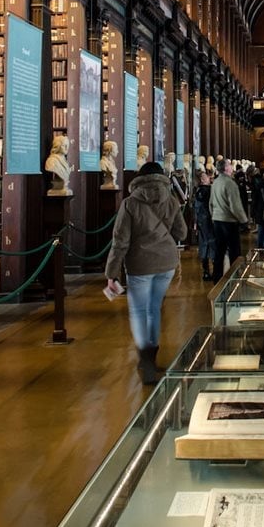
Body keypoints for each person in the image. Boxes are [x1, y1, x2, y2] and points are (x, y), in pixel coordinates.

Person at [104, 161, 187, 384]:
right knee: (154, 308)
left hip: (140, 264)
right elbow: (182, 232)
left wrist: (111, 273)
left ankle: (145, 357)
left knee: (139, 311)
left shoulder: (130, 203)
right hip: (166, 264)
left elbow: (120, 241)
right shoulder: (171, 200)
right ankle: (152, 354)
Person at [209, 158, 248, 282]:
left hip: (217, 220)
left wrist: (214, 215)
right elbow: (235, 205)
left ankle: (217, 277)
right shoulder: (230, 183)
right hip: (228, 221)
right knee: (234, 252)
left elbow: (211, 203)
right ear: (226, 168)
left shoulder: (215, 182)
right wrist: (244, 220)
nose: (232, 167)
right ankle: (235, 277)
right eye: (230, 165)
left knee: (219, 251)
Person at [192, 170, 215, 280]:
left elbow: (196, 209)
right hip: (209, 219)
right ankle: (215, 269)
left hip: (201, 220)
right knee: (212, 243)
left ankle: (206, 271)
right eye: (206, 177)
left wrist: (196, 222)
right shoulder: (209, 190)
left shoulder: (198, 191)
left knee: (204, 244)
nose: (208, 178)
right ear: (202, 179)